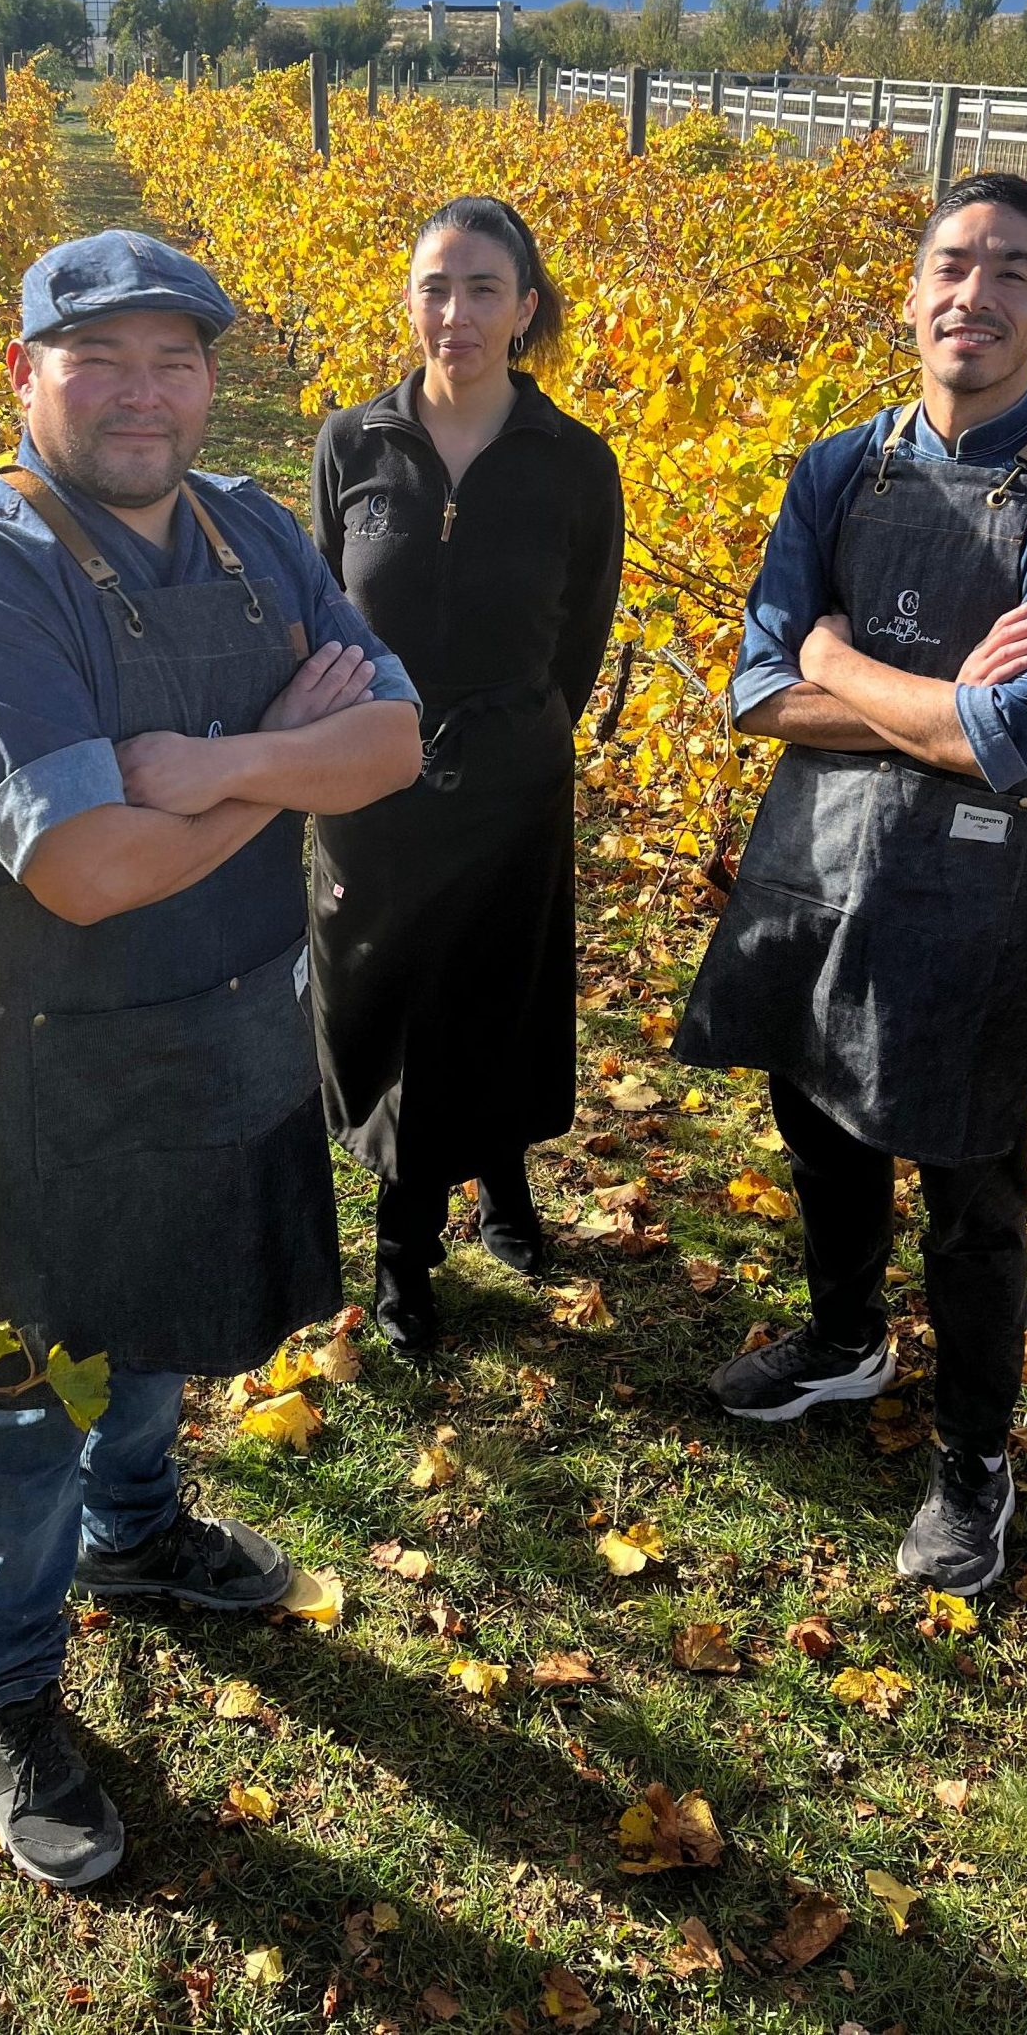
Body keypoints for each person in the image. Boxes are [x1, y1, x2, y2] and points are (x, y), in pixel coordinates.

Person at [0, 229, 422, 1889]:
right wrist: (282, 770)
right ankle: (16, 1687)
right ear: (24, 375)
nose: (139, 389)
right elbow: (88, 867)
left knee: (170, 1313)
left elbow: (392, 741)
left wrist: (202, 761)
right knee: (25, 1403)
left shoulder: (254, 528)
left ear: (208, 377)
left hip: (227, 1024)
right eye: (96, 357)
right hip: (35, 1082)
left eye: (170, 356)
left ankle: (142, 1534)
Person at [673, 174, 1027, 1597]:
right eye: (954, 264)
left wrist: (839, 662)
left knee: (969, 1167)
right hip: (819, 845)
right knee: (814, 1102)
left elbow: (1010, 736)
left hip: (986, 884)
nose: (977, 294)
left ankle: (973, 1455)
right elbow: (753, 695)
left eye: (1014, 271)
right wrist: (921, 698)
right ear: (912, 289)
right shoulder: (842, 466)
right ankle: (844, 1338)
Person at [308, 197, 623, 1356]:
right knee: (391, 1005)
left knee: (496, 990)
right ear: (409, 301)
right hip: (372, 779)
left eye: (484, 288)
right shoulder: (353, 444)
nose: (457, 314)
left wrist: (515, 739)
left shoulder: (576, 464)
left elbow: (578, 641)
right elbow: (322, 614)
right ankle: (411, 1231)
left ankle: (478, 1199)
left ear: (526, 308)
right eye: (436, 287)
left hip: (509, 781)